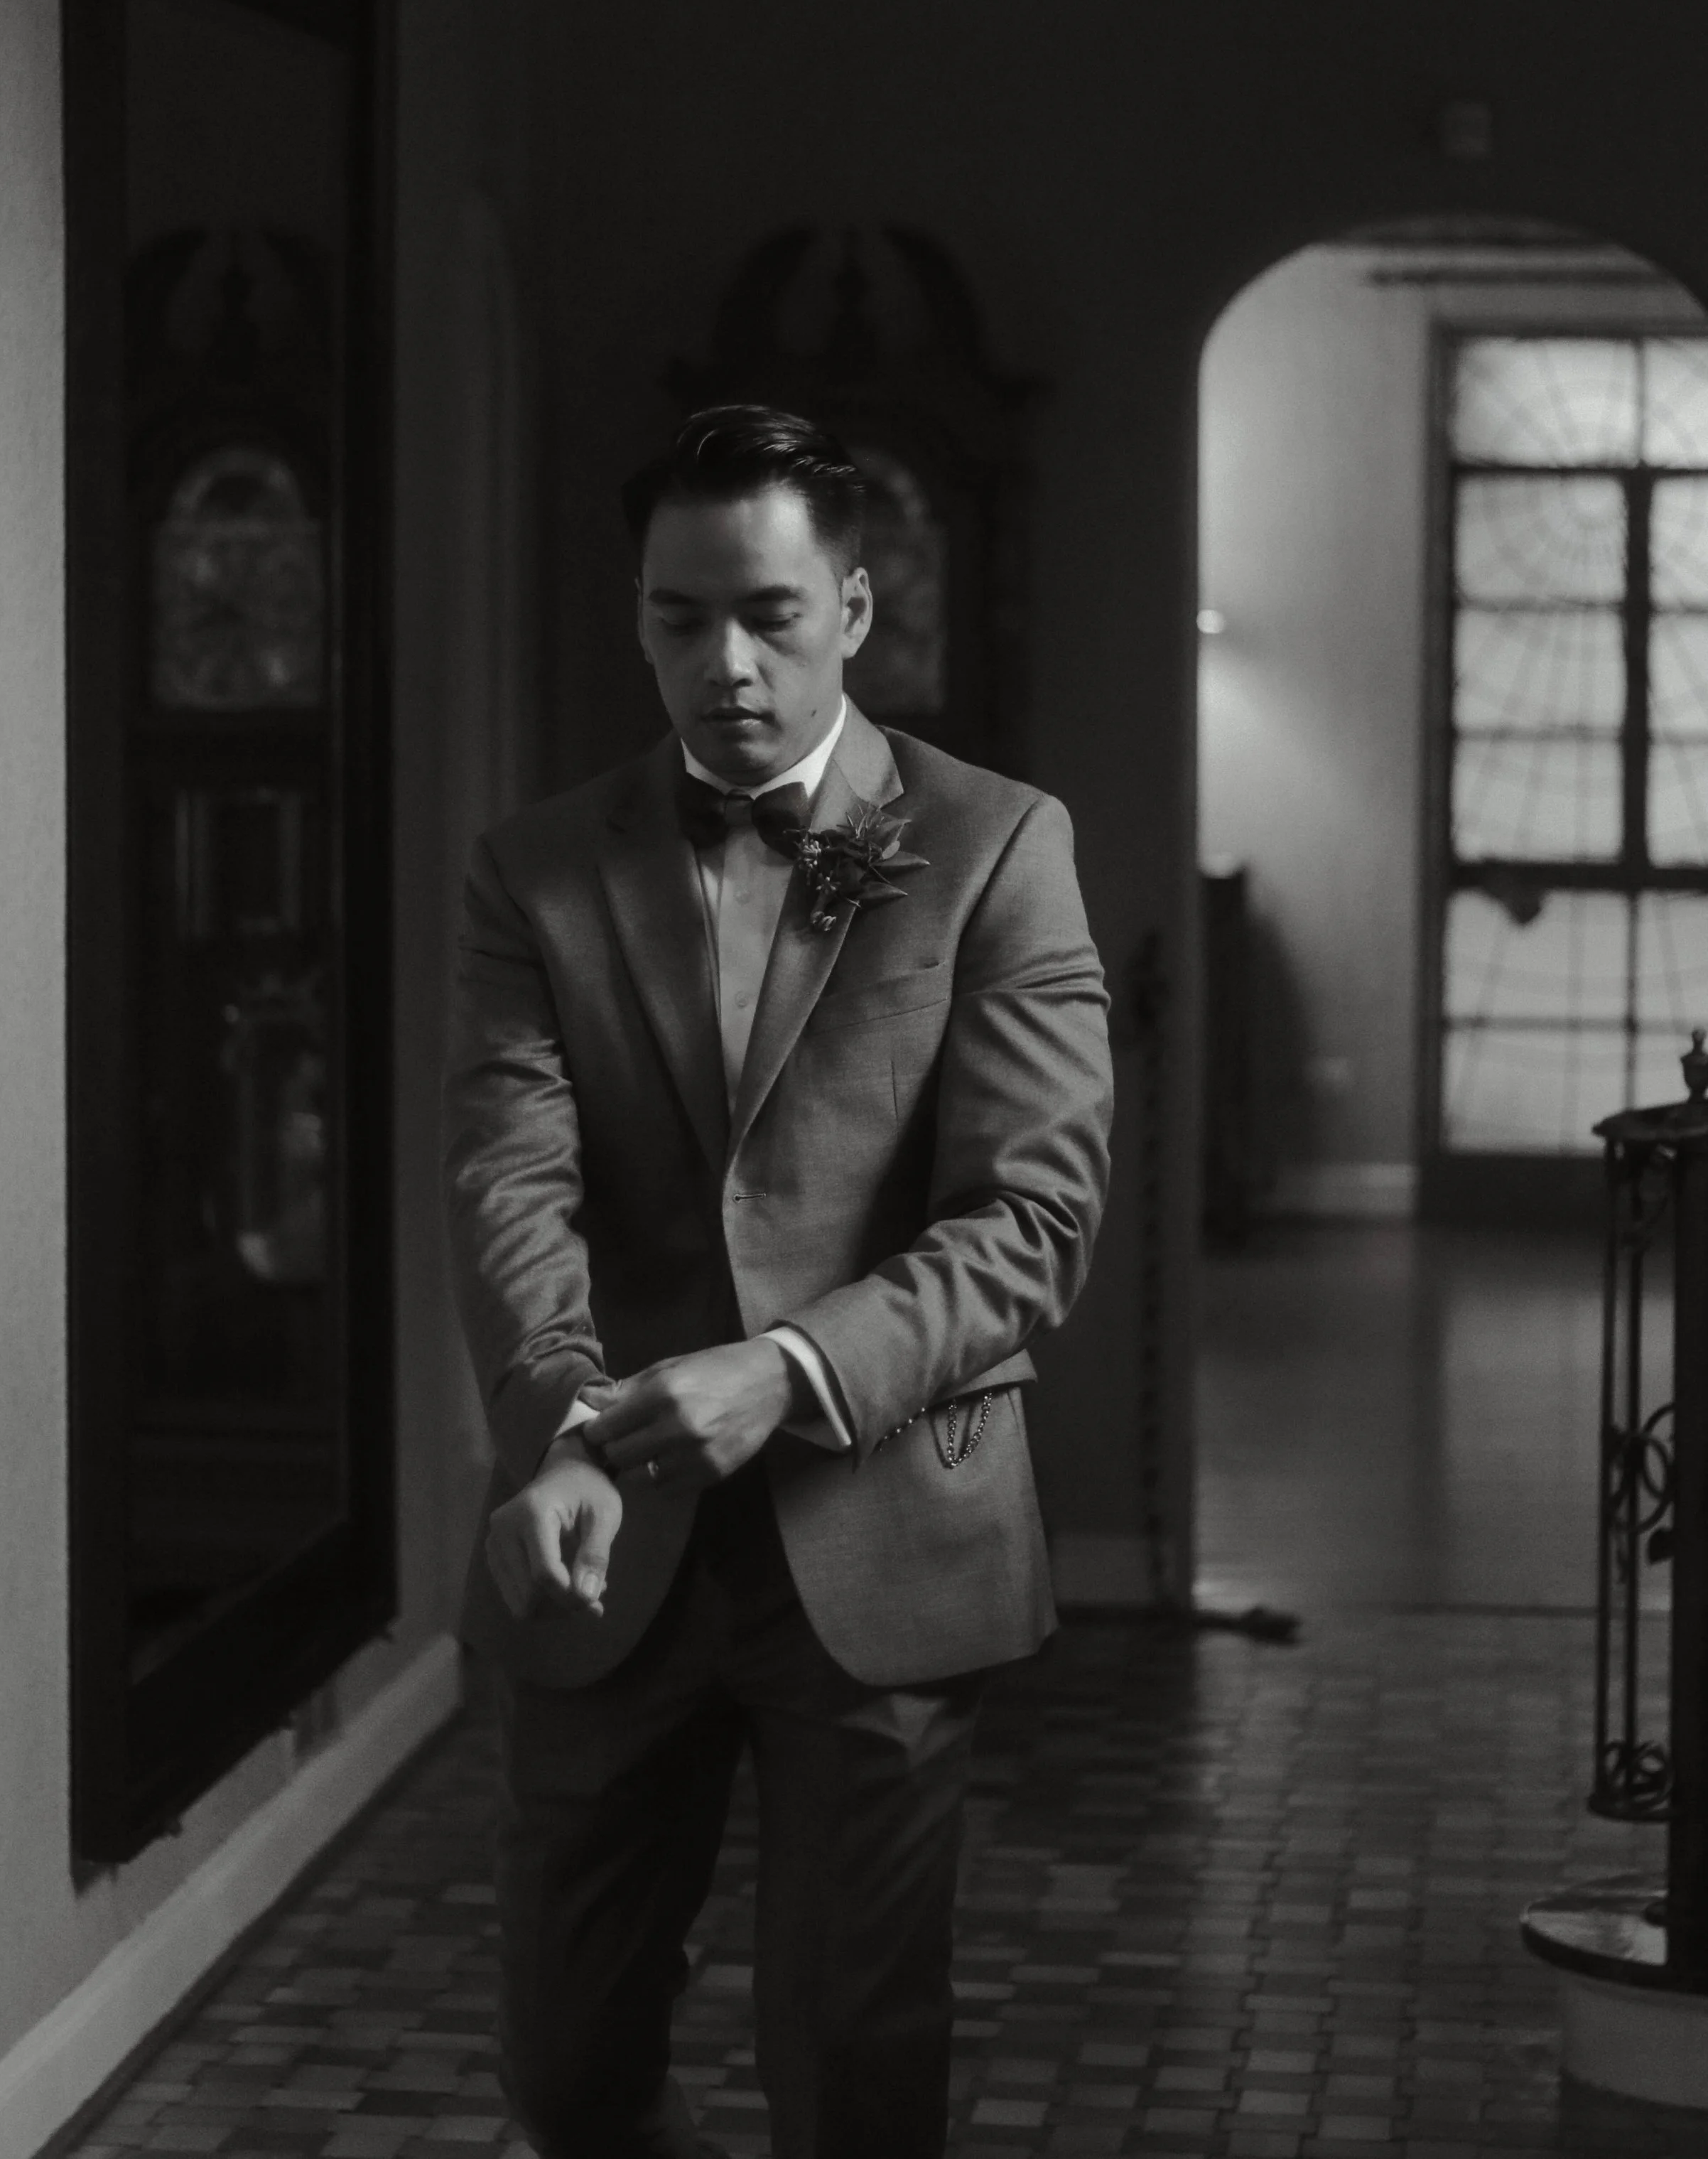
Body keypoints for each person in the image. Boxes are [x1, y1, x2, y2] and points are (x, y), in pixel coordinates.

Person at [443, 404, 1113, 2159]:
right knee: (568, 2064)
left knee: (852, 2070)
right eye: (677, 619)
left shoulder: (994, 844)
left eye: (768, 614)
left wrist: (790, 1370)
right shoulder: (534, 868)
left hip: (884, 1525)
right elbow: (513, 1181)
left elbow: (1031, 1219)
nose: (721, 662)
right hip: (609, 1533)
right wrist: (562, 1424)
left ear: (856, 612)